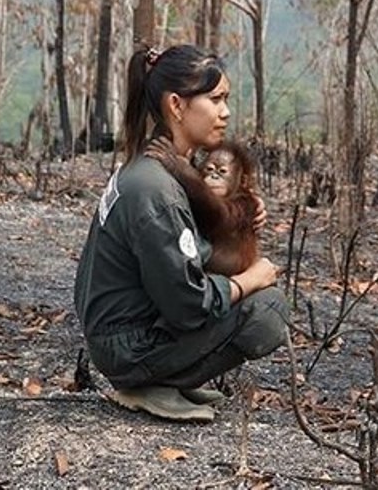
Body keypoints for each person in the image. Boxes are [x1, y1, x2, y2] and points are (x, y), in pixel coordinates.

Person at [73, 45, 289, 422]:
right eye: (215, 99)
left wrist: (242, 217)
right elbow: (189, 305)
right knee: (268, 309)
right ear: (177, 105)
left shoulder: (152, 166)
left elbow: (190, 246)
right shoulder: (156, 188)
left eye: (226, 100)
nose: (225, 112)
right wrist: (251, 280)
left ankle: (165, 378)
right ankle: (153, 382)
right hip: (128, 348)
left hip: (119, 335)